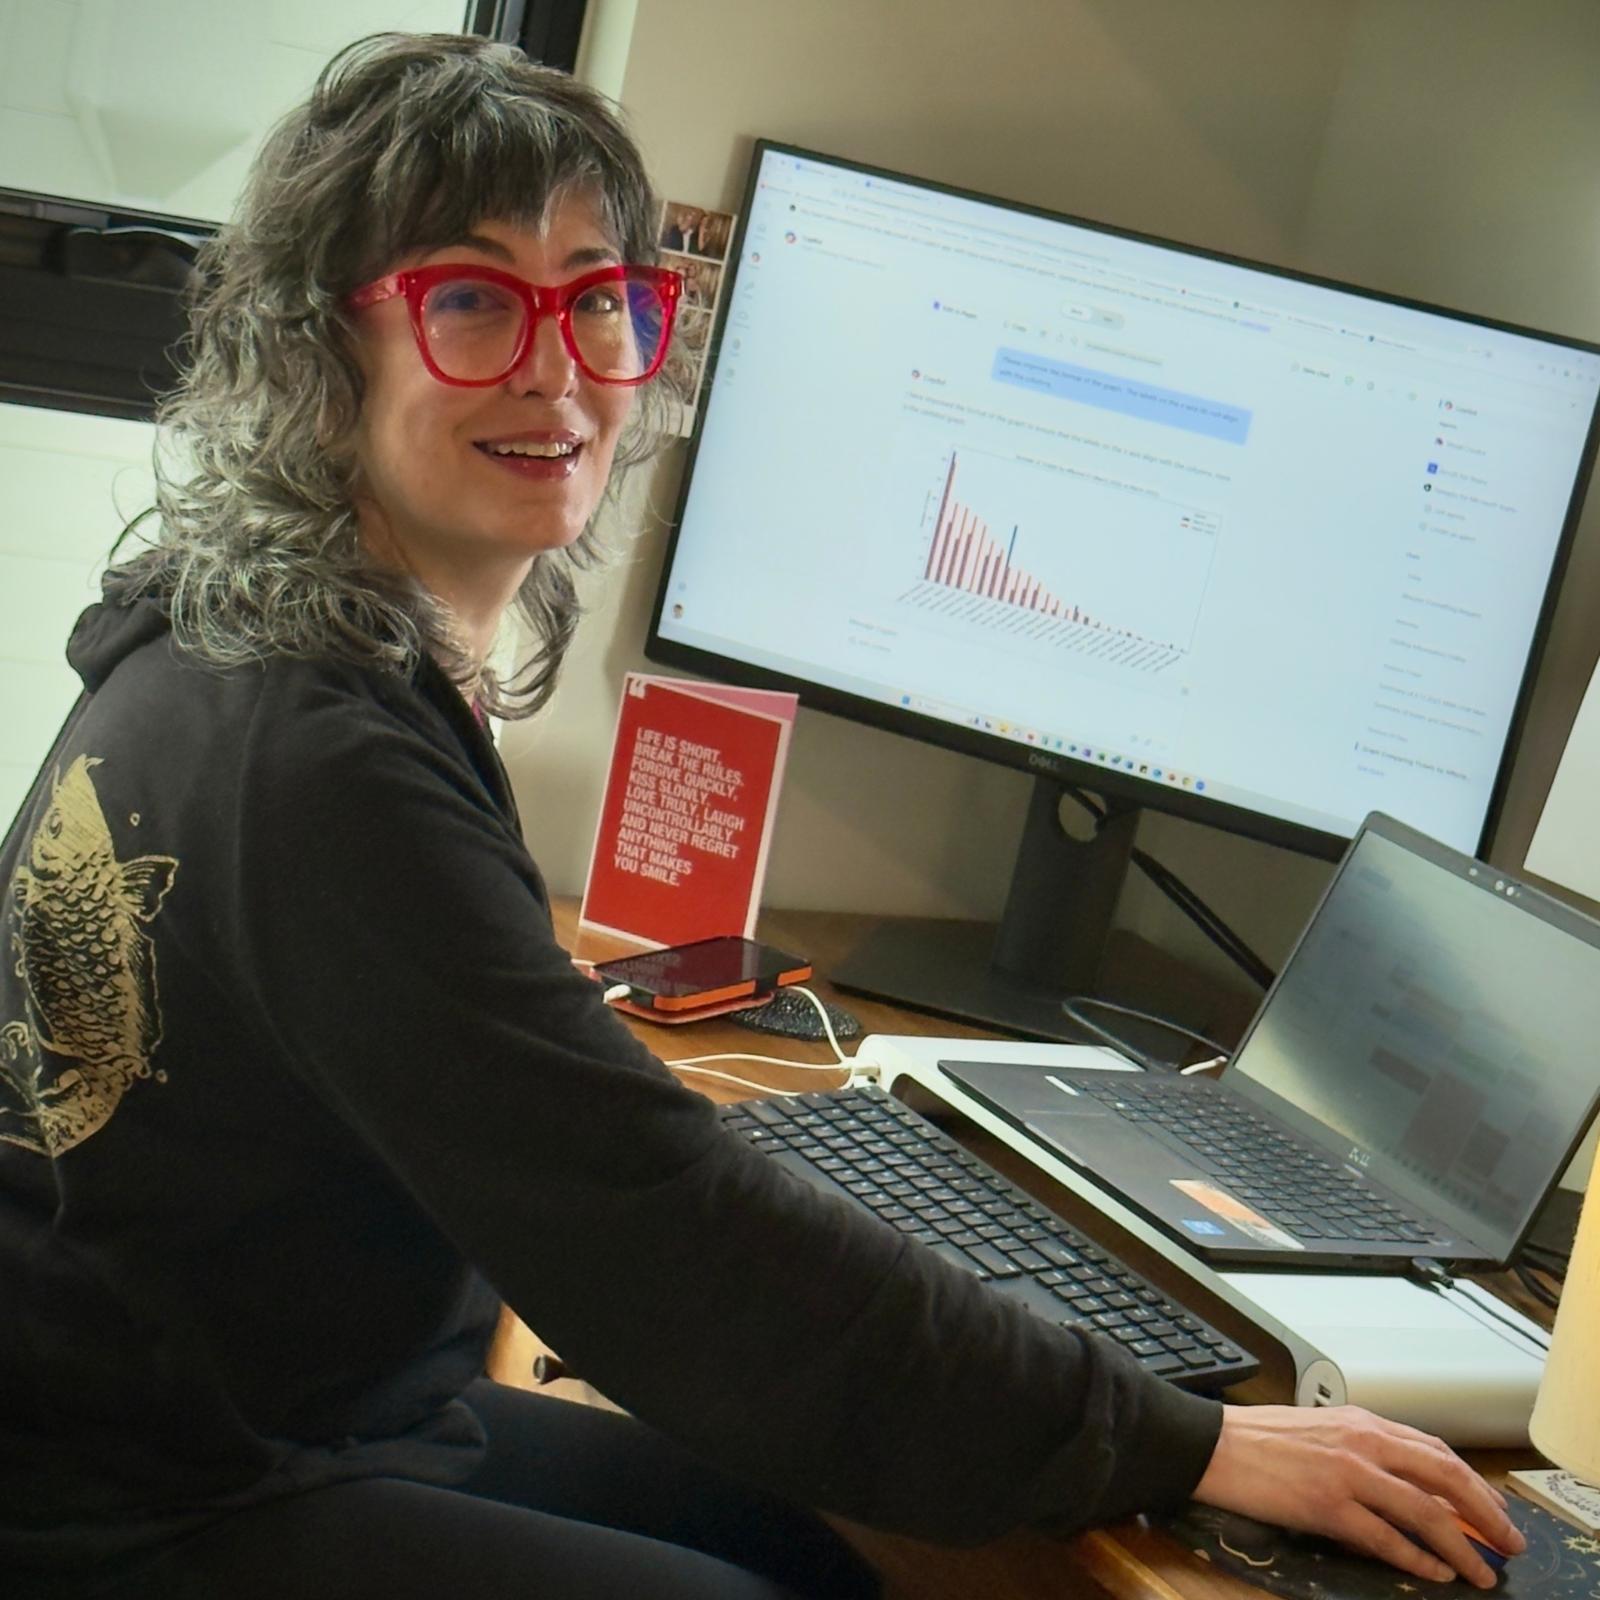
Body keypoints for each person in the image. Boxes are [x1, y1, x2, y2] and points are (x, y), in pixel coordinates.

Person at [0, 31, 1524, 1600]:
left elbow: (632, 1196)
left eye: (598, 298)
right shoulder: (317, 763)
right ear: (326, 356)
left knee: (800, 1544)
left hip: (234, 1402)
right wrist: (1177, 1445)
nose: (559, 368)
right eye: (470, 300)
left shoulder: (250, 638)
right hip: (128, 1495)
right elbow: (665, 1240)